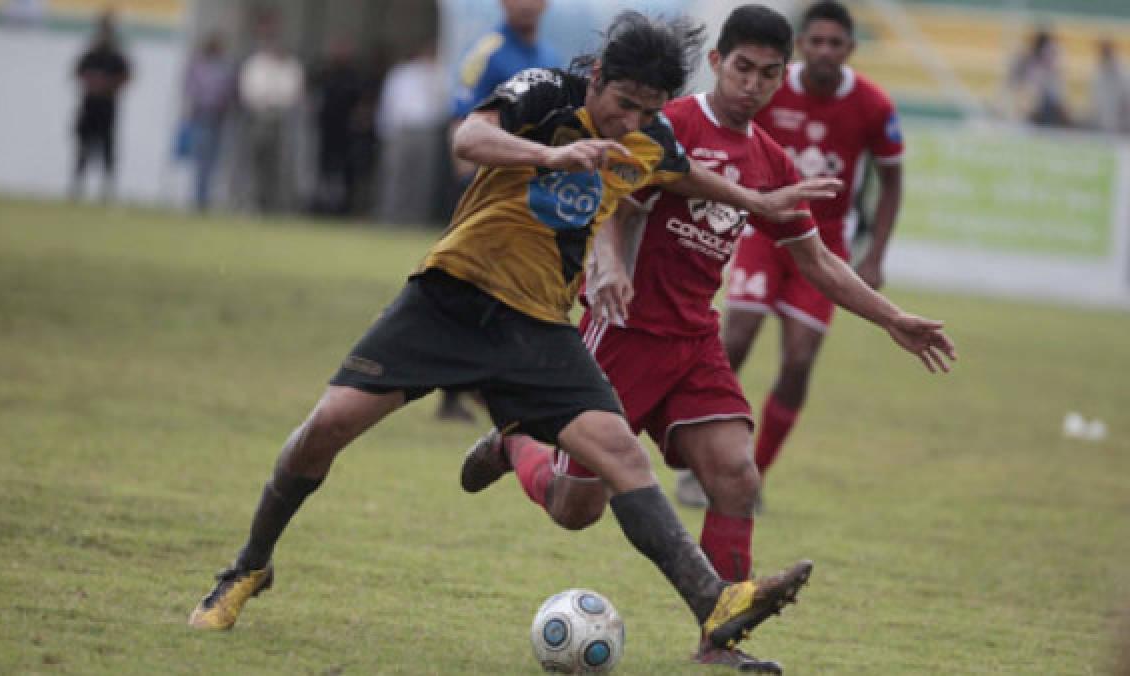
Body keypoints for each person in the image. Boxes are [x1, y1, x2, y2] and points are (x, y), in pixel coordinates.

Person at [187, 11, 843, 663]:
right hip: (448, 299)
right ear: (596, 79)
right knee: (325, 428)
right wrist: (552, 154)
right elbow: (467, 138)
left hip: (536, 327)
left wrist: (758, 204)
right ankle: (248, 566)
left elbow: (680, 172)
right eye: (623, 104)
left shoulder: (649, 136)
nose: (631, 123)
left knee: (620, 457)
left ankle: (715, 602)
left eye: (649, 111)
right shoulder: (545, 92)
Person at [458, 5, 955, 670]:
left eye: (768, 74)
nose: (752, 84)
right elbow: (611, 200)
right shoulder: (666, 122)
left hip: (695, 340)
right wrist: (607, 264)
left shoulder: (769, 159)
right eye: (742, 67)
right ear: (718, 62)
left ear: (783, 78)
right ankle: (516, 439)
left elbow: (817, 262)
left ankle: (717, 644)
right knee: (575, 510)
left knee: (735, 475)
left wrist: (891, 316)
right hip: (625, 332)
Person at [675, 0, 907, 509]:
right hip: (761, 227)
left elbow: (891, 181)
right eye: (817, 41)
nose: (825, 51)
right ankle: (704, 464)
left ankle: (751, 475)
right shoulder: (755, 93)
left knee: (799, 360)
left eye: (836, 43)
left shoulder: (873, 105)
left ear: (851, 49)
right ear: (803, 46)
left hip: (823, 239)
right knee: (734, 338)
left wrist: (875, 256)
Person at [438, 0, 561, 422]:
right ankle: (453, 390)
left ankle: (489, 383)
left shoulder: (549, 60)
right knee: (465, 284)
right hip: (485, 193)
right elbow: (461, 121)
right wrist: (468, 189)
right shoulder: (487, 52)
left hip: (527, 198)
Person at [374, 42, 447, 225]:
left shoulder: (439, 74)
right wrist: (385, 129)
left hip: (426, 131)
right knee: (396, 175)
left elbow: (443, 103)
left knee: (422, 177)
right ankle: (391, 216)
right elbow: (389, 101)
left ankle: (416, 217)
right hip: (402, 129)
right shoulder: (401, 73)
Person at [238, 11, 303, 215]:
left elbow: (292, 93)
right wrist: (267, 98)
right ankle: (251, 203)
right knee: (254, 162)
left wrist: (274, 97)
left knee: (280, 165)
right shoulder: (254, 63)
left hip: (281, 118)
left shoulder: (290, 66)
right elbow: (248, 90)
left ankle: (276, 206)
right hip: (258, 117)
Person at [70, 11, 131, 202]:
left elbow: (126, 76)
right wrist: (93, 83)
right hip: (90, 104)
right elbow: (78, 72)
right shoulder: (91, 53)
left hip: (107, 105)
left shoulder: (116, 55)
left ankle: (107, 190)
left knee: (107, 149)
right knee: (84, 147)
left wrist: (108, 85)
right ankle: (77, 187)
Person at [309, 40, 367, 215]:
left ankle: (343, 207)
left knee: (345, 170)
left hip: (347, 132)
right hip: (326, 129)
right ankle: (322, 205)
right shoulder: (325, 73)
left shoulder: (354, 76)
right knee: (324, 169)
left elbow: (361, 104)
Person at [182, 33, 235, 211]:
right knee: (201, 159)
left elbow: (229, 90)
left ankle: (206, 198)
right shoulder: (198, 65)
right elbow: (190, 88)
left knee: (213, 161)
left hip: (219, 116)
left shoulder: (225, 67)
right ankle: (199, 199)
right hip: (201, 114)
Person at [1004, 27, 1070, 128]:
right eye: (1050, 52)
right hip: (1024, 113)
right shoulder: (1029, 67)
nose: (1053, 57)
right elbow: (1020, 95)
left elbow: (1057, 99)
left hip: (1042, 114)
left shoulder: (1051, 74)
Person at [1090, 39, 1130, 135]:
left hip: (1122, 127)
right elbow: (1097, 101)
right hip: (1104, 125)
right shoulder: (1098, 73)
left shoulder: (1123, 74)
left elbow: (1126, 102)